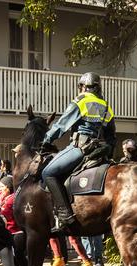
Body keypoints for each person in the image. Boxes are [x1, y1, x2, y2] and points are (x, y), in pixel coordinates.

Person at [40, 72, 116, 232]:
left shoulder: (81, 101)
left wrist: (46, 140)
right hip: (99, 151)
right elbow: (111, 136)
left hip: (80, 148)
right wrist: (108, 152)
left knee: (48, 172)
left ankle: (64, 215)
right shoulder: (106, 106)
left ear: (82, 86)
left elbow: (61, 125)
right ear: (98, 87)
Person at [0, 176, 29, 266]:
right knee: (9, 256)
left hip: (17, 231)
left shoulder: (13, 198)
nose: (0, 189)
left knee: (19, 255)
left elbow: (4, 213)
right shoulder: (2, 196)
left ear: (9, 187)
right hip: (7, 232)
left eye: (3, 186)